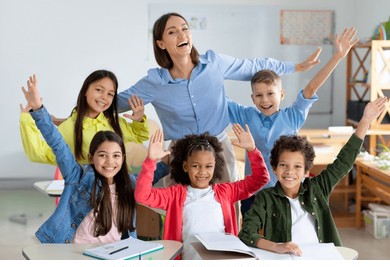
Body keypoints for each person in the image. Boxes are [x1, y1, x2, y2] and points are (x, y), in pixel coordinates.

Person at [116, 12, 322, 184]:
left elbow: (253, 66)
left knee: (227, 210)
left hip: (219, 149)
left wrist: (295, 67)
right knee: (182, 214)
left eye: (184, 28)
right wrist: (90, 100)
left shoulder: (213, 64)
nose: (181, 34)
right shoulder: (155, 82)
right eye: (172, 32)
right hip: (182, 155)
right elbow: (116, 102)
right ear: (161, 43)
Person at [228, 27, 358, 218]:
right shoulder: (246, 115)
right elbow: (217, 96)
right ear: (252, 98)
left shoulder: (292, 115)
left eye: (270, 94)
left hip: (287, 192)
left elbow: (312, 86)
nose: (265, 100)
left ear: (281, 94)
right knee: (252, 239)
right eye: (259, 95)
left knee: (283, 239)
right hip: (254, 194)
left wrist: (338, 56)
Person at [238, 97, 388, 256]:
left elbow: (344, 161)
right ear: (274, 168)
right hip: (288, 262)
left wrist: (365, 121)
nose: (289, 172)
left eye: (297, 167)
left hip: (322, 259)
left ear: (306, 171)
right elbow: (246, 233)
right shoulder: (265, 198)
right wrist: (276, 246)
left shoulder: (317, 188)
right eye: (283, 165)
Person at [21, 75, 139, 243]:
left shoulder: (130, 183)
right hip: (77, 252)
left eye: (116, 156)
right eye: (102, 155)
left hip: (114, 253)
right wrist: (38, 109)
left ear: (123, 158)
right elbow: (57, 143)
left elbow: (155, 173)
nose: (109, 162)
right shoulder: (78, 176)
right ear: (91, 158)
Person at [135, 123, 270, 259]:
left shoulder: (227, 191)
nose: (202, 172)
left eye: (208, 166)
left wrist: (252, 150)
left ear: (215, 166)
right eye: (195, 166)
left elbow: (261, 179)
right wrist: (151, 161)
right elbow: (142, 196)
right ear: (185, 166)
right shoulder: (174, 195)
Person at [20, 70, 149, 167]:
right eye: (99, 90)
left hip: (120, 190)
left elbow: (139, 136)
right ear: (85, 91)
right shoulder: (70, 128)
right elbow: (39, 153)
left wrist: (138, 120)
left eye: (110, 94)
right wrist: (27, 119)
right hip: (89, 194)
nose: (105, 97)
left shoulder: (114, 122)